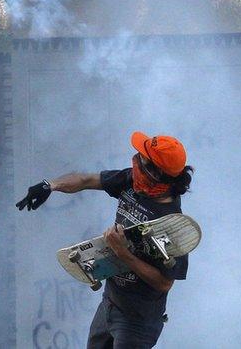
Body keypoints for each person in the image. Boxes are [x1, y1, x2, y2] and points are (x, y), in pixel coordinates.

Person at [17, 132, 194, 349]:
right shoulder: (133, 181)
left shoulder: (173, 225)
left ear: (156, 173)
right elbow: (87, 180)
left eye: (143, 159)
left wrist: (123, 254)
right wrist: (50, 185)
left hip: (138, 322)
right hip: (109, 304)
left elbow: (164, 283)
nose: (136, 160)